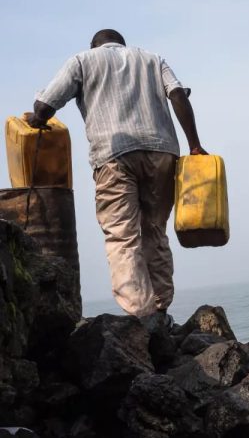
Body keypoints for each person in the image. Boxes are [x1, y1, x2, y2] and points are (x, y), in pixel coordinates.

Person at [26, 29, 207, 323]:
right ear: (121, 43)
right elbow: (177, 95)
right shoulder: (152, 59)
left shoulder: (82, 60)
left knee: (122, 235)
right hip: (162, 152)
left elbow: (45, 106)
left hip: (114, 155)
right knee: (154, 230)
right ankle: (161, 309)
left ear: (94, 45)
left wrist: (37, 119)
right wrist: (195, 144)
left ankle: (141, 316)